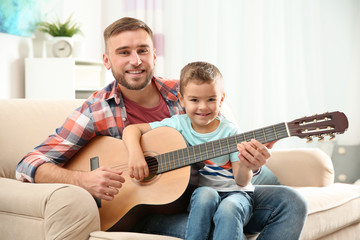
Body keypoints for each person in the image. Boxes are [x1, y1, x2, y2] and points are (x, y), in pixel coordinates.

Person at [16, 17, 307, 239]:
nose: (135, 60)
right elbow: (28, 164)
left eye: (143, 50)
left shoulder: (187, 94)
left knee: (292, 203)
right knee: (209, 222)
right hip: (147, 210)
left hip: (210, 190)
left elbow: (227, 145)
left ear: (155, 55)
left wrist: (251, 163)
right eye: (123, 52)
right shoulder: (96, 109)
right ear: (106, 60)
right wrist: (85, 181)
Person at [123, 61, 261, 239]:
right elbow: (131, 129)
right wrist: (136, 155)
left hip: (236, 194)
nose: (203, 107)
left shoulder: (231, 131)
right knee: (205, 194)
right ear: (181, 100)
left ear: (222, 99)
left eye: (211, 99)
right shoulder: (177, 124)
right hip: (201, 194)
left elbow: (241, 181)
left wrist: (245, 164)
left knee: (229, 208)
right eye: (194, 100)